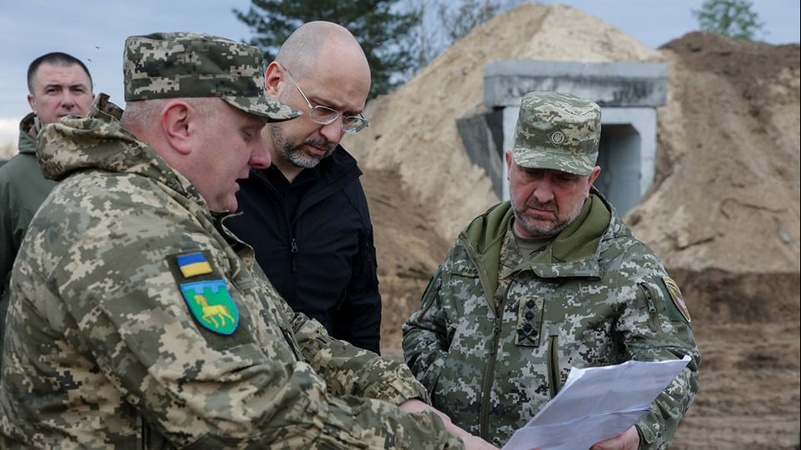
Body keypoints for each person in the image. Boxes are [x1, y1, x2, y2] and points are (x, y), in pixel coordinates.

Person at [0, 32, 496, 449]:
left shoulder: (174, 211)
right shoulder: (121, 224)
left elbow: (289, 331)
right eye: (245, 133)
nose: (260, 158)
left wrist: (394, 391)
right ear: (181, 125)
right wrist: (429, 440)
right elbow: (238, 411)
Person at [402, 91, 701, 450]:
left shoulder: (628, 268)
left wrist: (637, 434)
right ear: (510, 163)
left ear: (590, 179)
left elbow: (675, 369)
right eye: (531, 173)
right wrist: (444, 386)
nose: (543, 194)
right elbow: (422, 330)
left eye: (563, 179)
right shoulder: (474, 246)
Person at [225, 21, 382, 354]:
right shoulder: (219, 180)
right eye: (323, 109)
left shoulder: (346, 188)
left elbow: (361, 315)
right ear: (274, 82)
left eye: (350, 118)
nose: (334, 135)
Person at [0, 52, 95, 364]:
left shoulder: (125, 170)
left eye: (77, 90)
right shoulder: (11, 181)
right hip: (41, 373)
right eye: (53, 90)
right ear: (32, 101)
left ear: (92, 98)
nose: (67, 101)